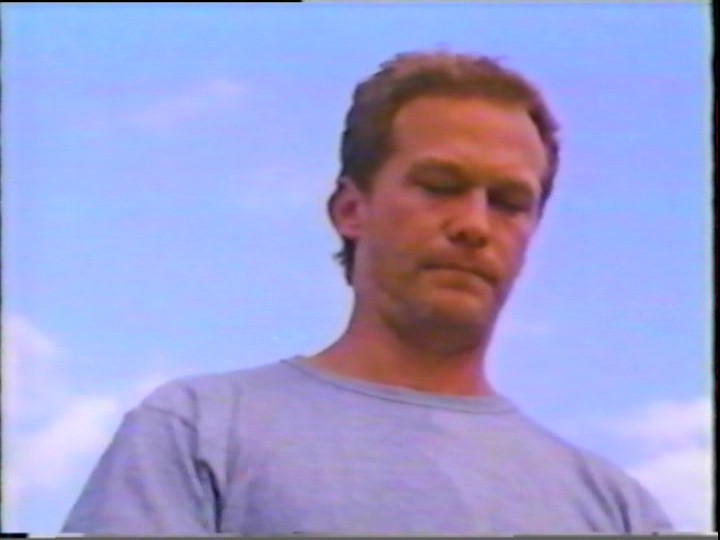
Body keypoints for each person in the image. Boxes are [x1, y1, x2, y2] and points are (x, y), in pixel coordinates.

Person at [62, 51, 674, 536]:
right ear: (351, 209)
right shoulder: (197, 432)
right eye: (440, 185)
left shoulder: (618, 509)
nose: (474, 224)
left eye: (509, 202)